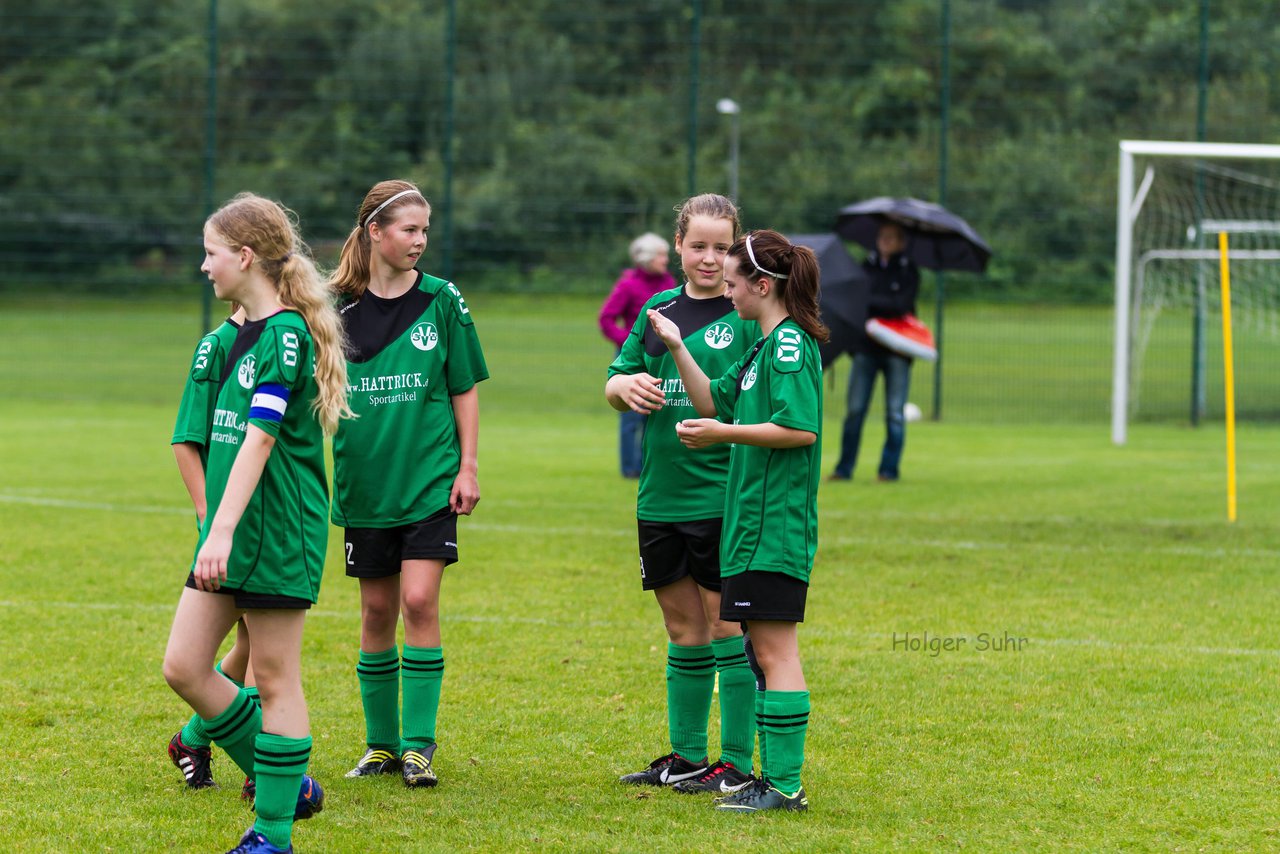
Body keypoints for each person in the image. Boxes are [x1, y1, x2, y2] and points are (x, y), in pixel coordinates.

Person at [162, 193, 352, 853]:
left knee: (273, 677)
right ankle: (288, 780)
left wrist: (219, 528)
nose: (204, 266)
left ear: (244, 257)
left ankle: (272, 834)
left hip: (275, 530)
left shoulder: (286, 334)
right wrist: (215, 526)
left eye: (211, 253)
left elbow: (262, 438)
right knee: (185, 666)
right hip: (232, 530)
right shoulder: (229, 339)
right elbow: (204, 441)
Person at [647, 229, 827, 813]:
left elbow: (799, 429)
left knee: (776, 652)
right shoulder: (760, 349)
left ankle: (784, 785)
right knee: (763, 649)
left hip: (776, 524)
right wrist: (677, 345)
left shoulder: (791, 347)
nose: (726, 293)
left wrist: (723, 436)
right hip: (747, 523)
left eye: (733, 284)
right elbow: (710, 403)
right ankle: (772, 780)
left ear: (763, 286)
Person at [328, 180, 489, 789]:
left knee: (419, 601)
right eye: (408, 230)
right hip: (365, 484)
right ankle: (381, 746)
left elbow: (464, 385)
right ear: (374, 231)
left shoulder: (443, 299)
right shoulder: (333, 305)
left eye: (425, 230)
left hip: (429, 477)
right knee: (374, 610)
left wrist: (467, 465)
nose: (420, 241)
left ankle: (419, 747)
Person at [605, 194, 759, 796]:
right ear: (679, 246)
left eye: (723, 248)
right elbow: (614, 380)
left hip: (720, 497)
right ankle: (689, 756)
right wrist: (627, 387)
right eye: (700, 246)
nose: (711, 259)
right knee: (681, 628)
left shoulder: (747, 314)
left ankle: (737, 761)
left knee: (727, 628)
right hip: (660, 498)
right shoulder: (657, 307)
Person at [166, 303, 257, 791]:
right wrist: (209, 518)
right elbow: (186, 441)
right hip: (225, 529)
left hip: (267, 519)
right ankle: (262, 769)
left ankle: (194, 736)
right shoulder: (216, 347)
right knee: (261, 644)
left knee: (253, 640)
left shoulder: (289, 335)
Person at [830, 221, 919, 482]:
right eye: (882, 236)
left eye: (891, 237)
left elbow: (901, 305)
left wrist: (874, 303)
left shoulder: (908, 271)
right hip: (865, 350)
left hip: (897, 352)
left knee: (894, 413)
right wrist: (881, 303)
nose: (885, 241)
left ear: (901, 242)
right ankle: (844, 469)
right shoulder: (865, 267)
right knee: (855, 411)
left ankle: (888, 470)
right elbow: (856, 301)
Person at [599, 232, 676, 478]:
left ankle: (647, 465)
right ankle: (630, 468)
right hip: (633, 355)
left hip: (661, 355)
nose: (666, 260)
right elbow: (606, 318)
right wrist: (629, 342)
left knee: (653, 410)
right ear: (647, 258)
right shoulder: (628, 284)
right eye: (661, 255)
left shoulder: (668, 283)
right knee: (631, 416)